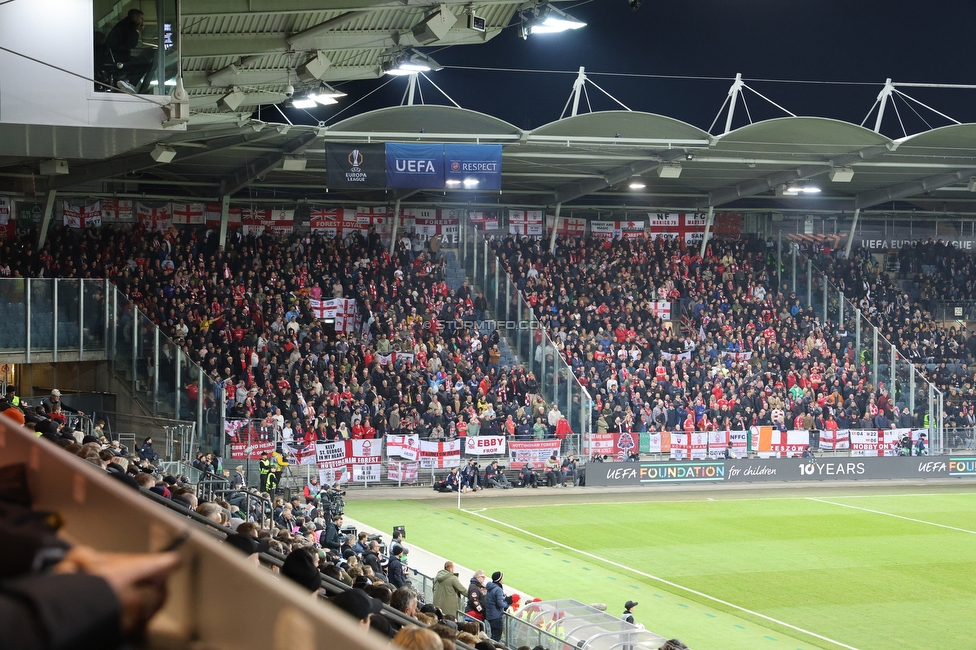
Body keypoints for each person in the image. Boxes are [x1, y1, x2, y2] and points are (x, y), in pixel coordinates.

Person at [104, 9, 149, 93]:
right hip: (118, 57)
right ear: (135, 17)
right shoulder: (130, 26)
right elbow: (132, 44)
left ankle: (125, 81)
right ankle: (129, 82)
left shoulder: (123, 24)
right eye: (141, 18)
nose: (142, 20)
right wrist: (137, 30)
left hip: (112, 56)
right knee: (144, 63)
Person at [485, 571, 507, 642]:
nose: (503, 578)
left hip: (490, 615)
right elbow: (500, 603)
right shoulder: (498, 589)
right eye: (502, 577)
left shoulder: (490, 588)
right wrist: (507, 603)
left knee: (493, 635)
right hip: (496, 616)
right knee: (496, 638)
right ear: (499, 579)